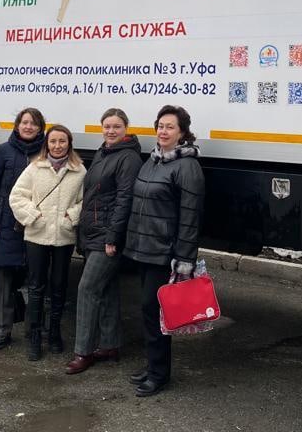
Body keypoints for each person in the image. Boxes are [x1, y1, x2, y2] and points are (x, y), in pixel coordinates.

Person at [123, 105, 205, 397]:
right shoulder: (153, 160)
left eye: (170, 127)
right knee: (148, 311)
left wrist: (184, 259)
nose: (163, 131)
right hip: (143, 248)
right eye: (160, 126)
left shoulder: (187, 167)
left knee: (154, 309)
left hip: (164, 253)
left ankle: (159, 374)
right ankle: (152, 366)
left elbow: (190, 217)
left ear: (182, 132)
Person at [65, 108, 142, 375]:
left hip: (107, 236)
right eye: (107, 126)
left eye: (116, 126)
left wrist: (113, 237)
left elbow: (125, 200)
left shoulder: (129, 158)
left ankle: (83, 352)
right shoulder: (103, 152)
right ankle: (109, 345)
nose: (111, 131)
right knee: (106, 288)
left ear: (125, 128)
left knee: (87, 289)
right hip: (94, 232)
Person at [9, 124, 85, 361]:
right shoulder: (35, 168)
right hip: (37, 235)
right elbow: (16, 196)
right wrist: (33, 216)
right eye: (53, 141)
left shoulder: (79, 171)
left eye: (62, 141)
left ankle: (54, 333)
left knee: (59, 286)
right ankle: (34, 336)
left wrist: (71, 217)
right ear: (47, 144)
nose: (57, 146)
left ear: (69, 144)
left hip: (63, 236)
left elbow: (85, 201)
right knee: (36, 286)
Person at [0, 107, 45, 350]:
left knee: (35, 279)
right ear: (17, 125)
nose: (28, 127)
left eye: (33, 123)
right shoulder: (4, 152)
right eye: (24, 122)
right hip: (5, 222)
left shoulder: (46, 153)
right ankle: (1, 330)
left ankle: (33, 330)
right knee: (3, 279)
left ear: (40, 128)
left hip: (35, 223)